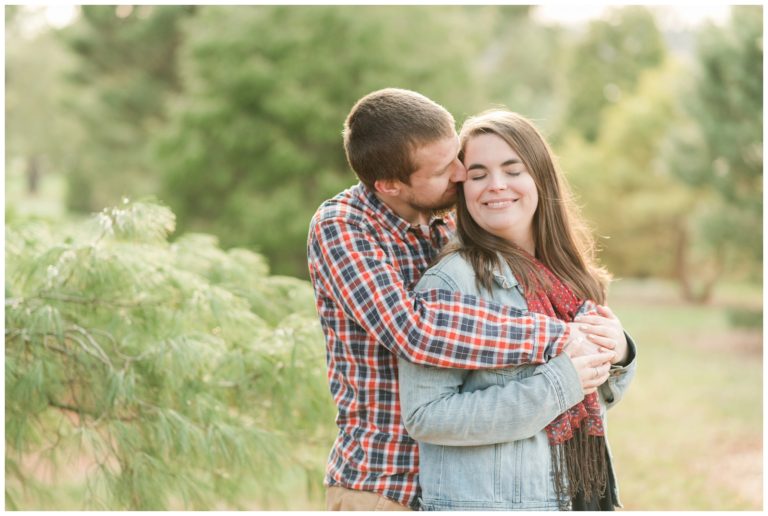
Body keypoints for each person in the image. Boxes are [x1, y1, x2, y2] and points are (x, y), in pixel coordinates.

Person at [307, 88, 609, 511]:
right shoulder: (343, 227)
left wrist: (615, 346)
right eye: (443, 168)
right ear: (390, 185)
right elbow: (414, 331)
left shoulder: (446, 222)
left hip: (463, 483)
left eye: (456, 156)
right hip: (384, 485)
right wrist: (557, 336)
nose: (460, 173)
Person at [397, 109, 637, 511]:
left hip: (578, 497)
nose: (496, 186)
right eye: (477, 174)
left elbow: (597, 397)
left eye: (512, 170)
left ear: (540, 178)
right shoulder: (452, 283)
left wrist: (620, 354)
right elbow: (426, 416)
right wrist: (559, 384)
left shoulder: (571, 274)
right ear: (462, 188)